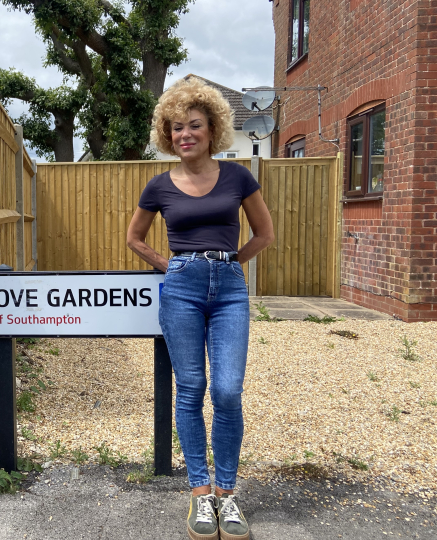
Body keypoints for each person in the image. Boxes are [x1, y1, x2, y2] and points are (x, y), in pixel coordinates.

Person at [126, 77, 274, 540]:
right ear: (166, 135)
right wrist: (170, 266)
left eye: (193, 126)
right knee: (190, 388)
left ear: (212, 129)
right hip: (182, 289)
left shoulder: (238, 177)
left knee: (228, 391)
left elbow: (263, 233)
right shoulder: (158, 186)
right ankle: (200, 493)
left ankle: (227, 494)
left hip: (229, 288)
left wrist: (231, 264)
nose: (184, 135)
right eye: (175, 128)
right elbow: (134, 238)